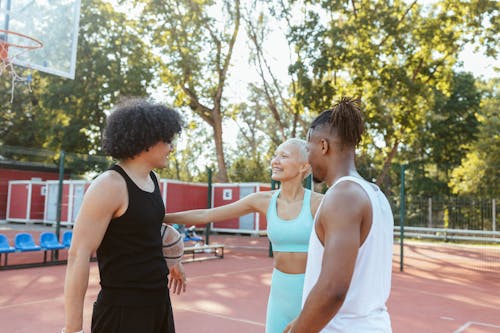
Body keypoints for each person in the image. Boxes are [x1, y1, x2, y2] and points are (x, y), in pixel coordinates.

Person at [164, 138, 323, 333]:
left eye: (284, 156)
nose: (275, 161)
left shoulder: (320, 203)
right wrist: (161, 217)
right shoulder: (263, 200)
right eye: (275, 155)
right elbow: (206, 214)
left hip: (311, 293)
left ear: (304, 166)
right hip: (280, 294)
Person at [63, 98, 186, 333]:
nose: (171, 148)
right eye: (168, 140)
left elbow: (145, 229)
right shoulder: (109, 185)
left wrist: (173, 259)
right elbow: (78, 254)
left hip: (159, 302)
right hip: (122, 311)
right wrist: (72, 329)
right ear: (148, 141)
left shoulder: (153, 180)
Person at [284, 97, 394, 332]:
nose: (308, 158)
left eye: (309, 147)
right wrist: (301, 320)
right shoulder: (375, 194)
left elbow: (333, 289)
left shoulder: (343, 195)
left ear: (323, 146)